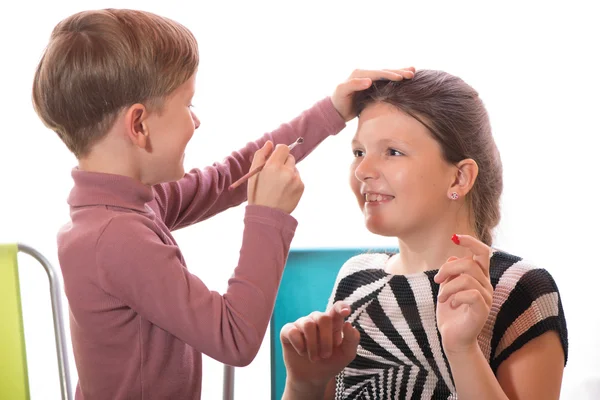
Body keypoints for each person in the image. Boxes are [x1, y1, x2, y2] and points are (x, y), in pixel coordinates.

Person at [31, 7, 415, 400]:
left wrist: (330, 112)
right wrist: (268, 215)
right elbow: (234, 338)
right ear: (139, 125)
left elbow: (227, 177)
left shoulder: (116, 209)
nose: (196, 121)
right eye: (188, 105)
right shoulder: (116, 238)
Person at [280, 70, 568, 400]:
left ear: (459, 178)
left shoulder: (519, 288)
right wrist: (305, 384)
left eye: (392, 152)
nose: (362, 170)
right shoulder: (355, 278)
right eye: (359, 152)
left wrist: (462, 350)